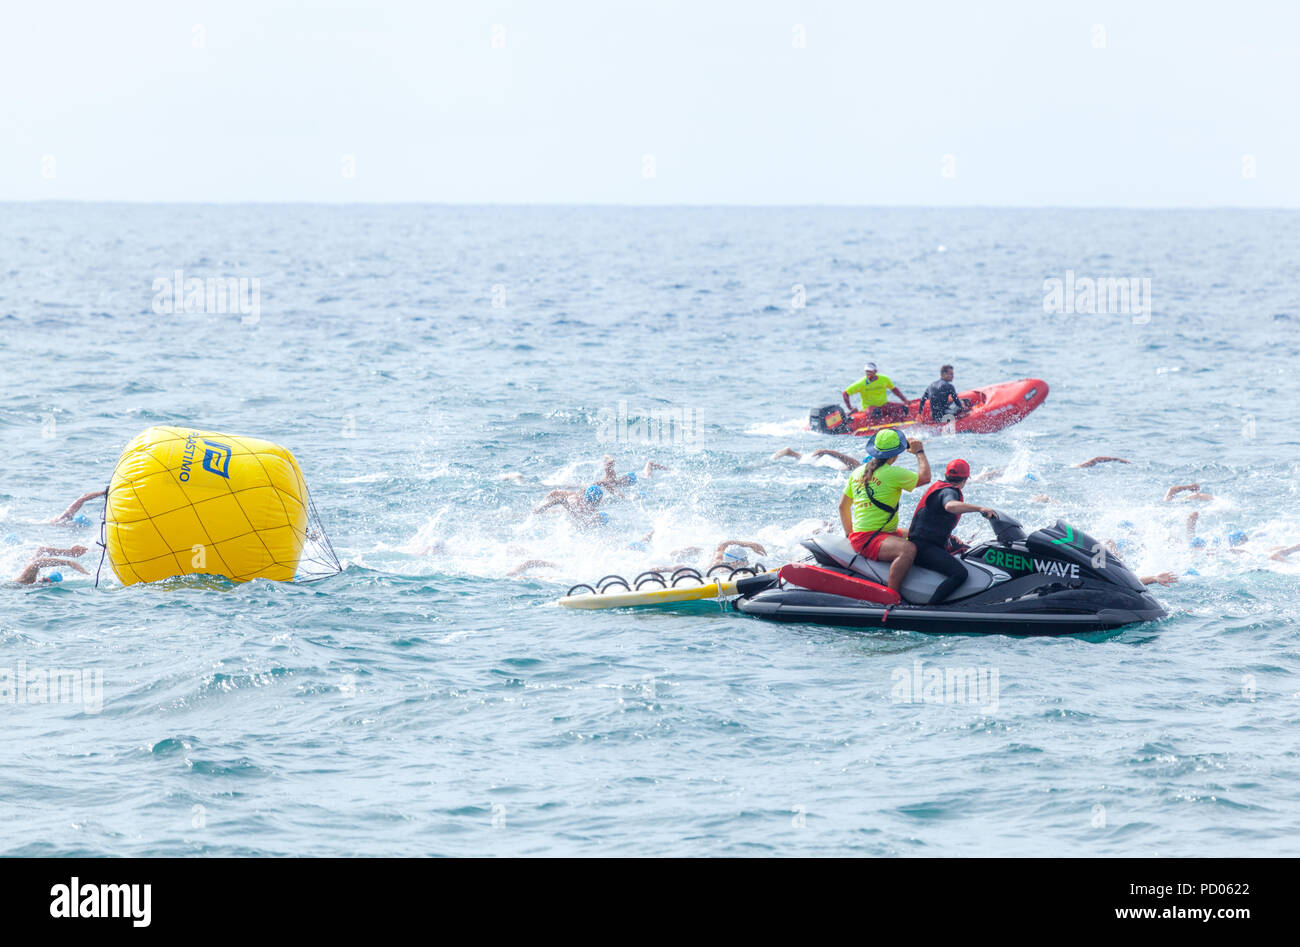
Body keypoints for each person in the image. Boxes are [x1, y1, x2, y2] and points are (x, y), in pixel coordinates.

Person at [837, 429, 930, 593]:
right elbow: (925, 477)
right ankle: (891, 595)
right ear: (896, 454)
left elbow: (843, 506)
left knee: (919, 533)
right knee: (908, 549)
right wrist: (919, 452)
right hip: (869, 538)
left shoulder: (858, 471)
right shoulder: (893, 473)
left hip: (869, 534)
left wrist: (849, 535)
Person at [905, 459, 997, 604]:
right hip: (923, 548)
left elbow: (931, 518)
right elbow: (950, 506)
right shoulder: (949, 491)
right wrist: (980, 508)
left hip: (925, 542)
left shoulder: (939, 487)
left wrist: (948, 536)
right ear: (965, 479)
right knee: (960, 574)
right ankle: (931, 608)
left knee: (970, 551)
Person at [842, 362, 909, 421]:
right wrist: (850, 408)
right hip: (870, 408)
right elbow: (845, 393)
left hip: (883, 404)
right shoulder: (861, 383)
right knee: (876, 412)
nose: (868, 373)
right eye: (867, 371)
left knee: (903, 408)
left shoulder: (884, 379)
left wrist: (905, 400)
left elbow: (894, 390)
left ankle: (897, 424)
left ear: (875, 371)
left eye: (870, 371)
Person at [13, 545, 90, 585]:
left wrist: (68, 560)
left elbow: (38, 558)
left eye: (45, 580)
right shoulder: (28, 580)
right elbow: (38, 559)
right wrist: (68, 559)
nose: (41, 580)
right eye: (45, 579)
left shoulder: (28, 580)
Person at [771, 447, 860, 470]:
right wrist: (827, 451)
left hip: (831, 462)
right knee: (810, 460)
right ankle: (790, 452)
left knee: (809, 459)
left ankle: (791, 452)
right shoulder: (860, 467)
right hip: (831, 463)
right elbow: (855, 464)